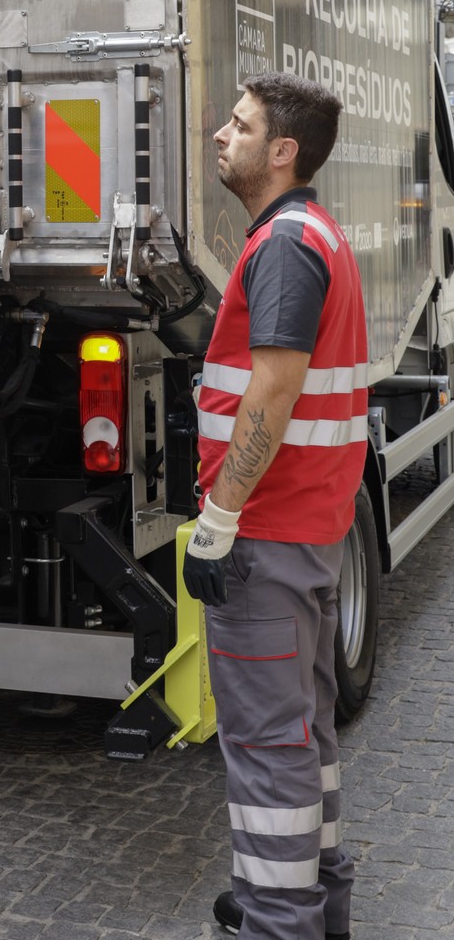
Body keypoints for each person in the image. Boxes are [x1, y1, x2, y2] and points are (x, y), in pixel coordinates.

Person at [183, 71, 367, 940]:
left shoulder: (285, 243)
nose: (223, 135)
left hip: (264, 534)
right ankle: (316, 906)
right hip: (309, 533)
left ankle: (275, 922)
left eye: (240, 124)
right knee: (306, 736)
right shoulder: (315, 233)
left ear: (281, 151)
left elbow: (274, 385)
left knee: (264, 750)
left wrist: (217, 520)